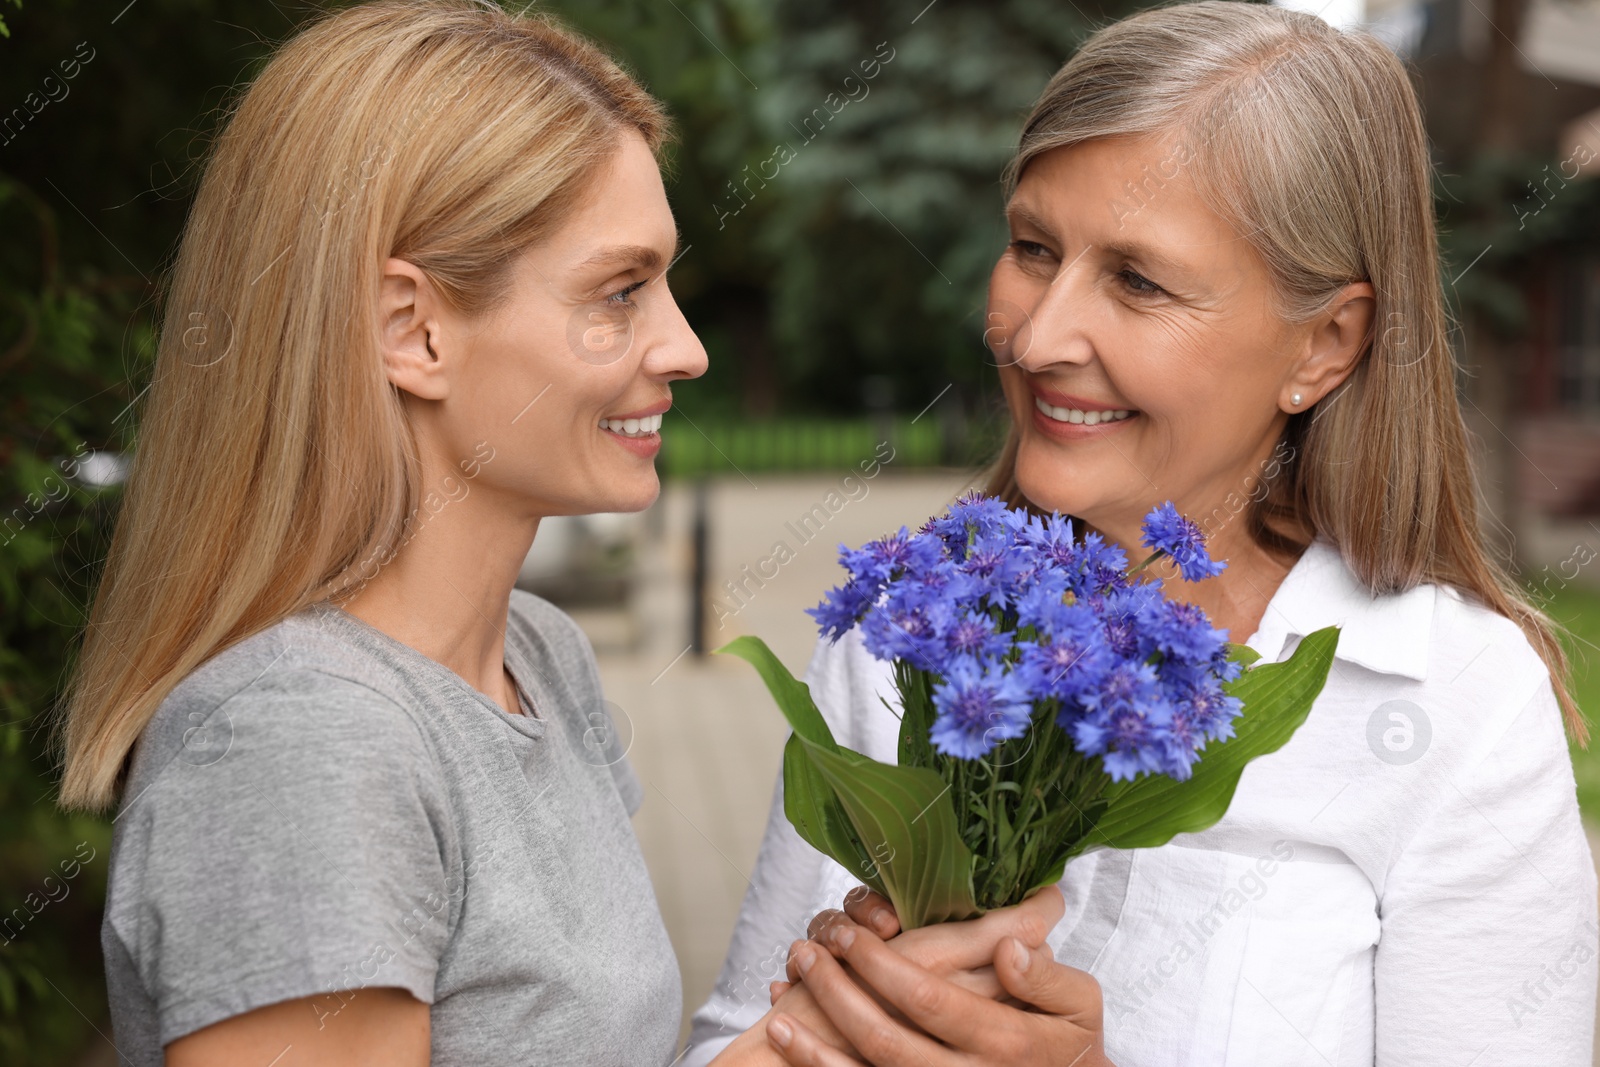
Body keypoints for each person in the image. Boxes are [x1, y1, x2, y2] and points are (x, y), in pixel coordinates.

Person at [54, 1, 1108, 1064]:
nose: (686, 347)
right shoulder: (297, 745)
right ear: (409, 330)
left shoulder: (535, 658)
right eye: (619, 291)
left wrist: (828, 1033)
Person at [686, 3, 1600, 1065]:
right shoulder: (923, 626)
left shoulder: (1453, 700)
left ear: (1325, 343)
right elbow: (728, 1037)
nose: (1035, 335)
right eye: (1032, 247)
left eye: (1136, 279)